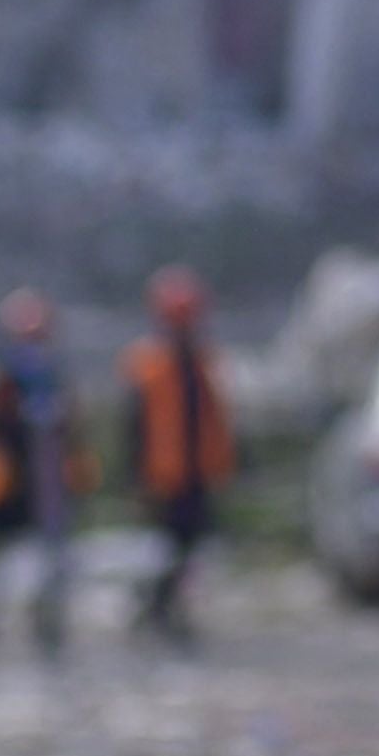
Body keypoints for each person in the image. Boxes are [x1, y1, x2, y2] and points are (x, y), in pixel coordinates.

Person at [0, 289, 79, 661]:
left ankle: (47, 624)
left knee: (52, 559)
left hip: (45, 485)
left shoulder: (54, 374)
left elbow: (71, 428)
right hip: (6, 485)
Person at [119, 267, 236, 646]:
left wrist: (227, 463)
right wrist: (136, 477)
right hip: (163, 475)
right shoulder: (148, 362)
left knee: (190, 545)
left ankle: (163, 606)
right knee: (162, 547)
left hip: (197, 472)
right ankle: (155, 608)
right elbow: (133, 426)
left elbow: (216, 418)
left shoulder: (203, 361)